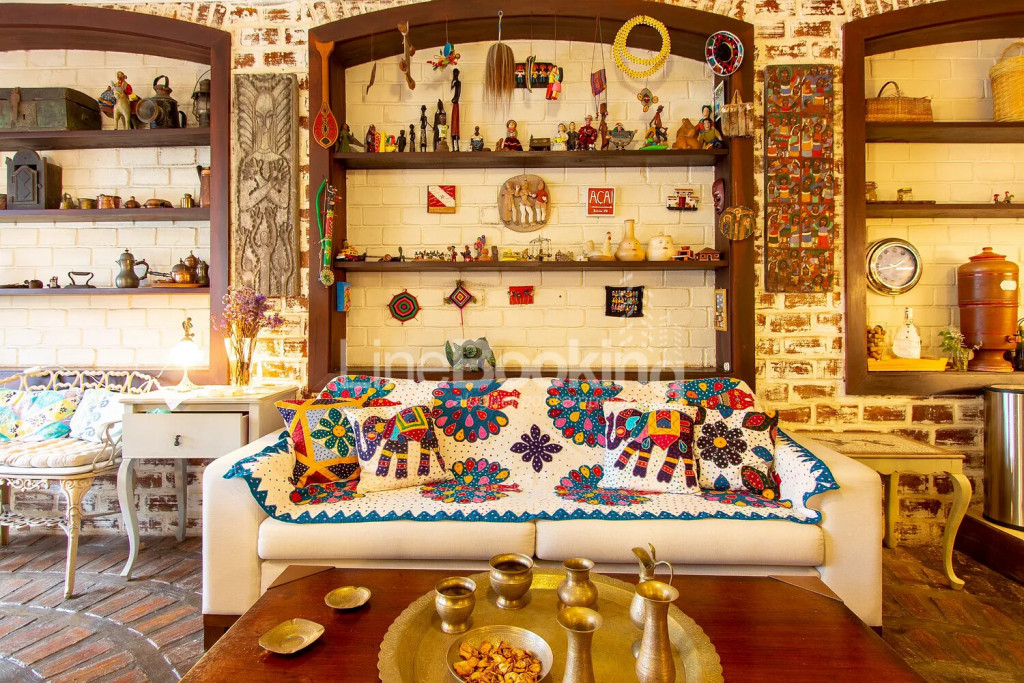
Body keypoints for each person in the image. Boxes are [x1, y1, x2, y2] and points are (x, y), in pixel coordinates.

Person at [450, 69, 462, 152]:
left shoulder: (458, 82)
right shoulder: (456, 82)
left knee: (455, 130)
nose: (455, 75)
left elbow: (457, 91)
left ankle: (456, 148)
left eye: (456, 73)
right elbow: (452, 87)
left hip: (455, 101)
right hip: (455, 101)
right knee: (454, 131)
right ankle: (455, 148)